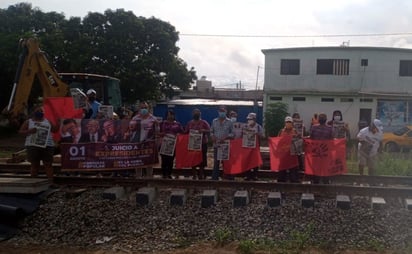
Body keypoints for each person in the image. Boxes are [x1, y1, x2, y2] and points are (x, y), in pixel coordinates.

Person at [19, 106, 59, 183]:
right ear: (34, 112)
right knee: (34, 164)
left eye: (41, 111)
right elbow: (21, 132)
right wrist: (29, 131)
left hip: (47, 145)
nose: (40, 112)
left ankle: (50, 182)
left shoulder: (48, 121)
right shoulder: (28, 122)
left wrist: (58, 123)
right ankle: (33, 182)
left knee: (48, 164)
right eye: (38, 111)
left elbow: (55, 130)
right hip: (32, 145)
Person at [132, 101, 159, 178]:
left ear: (148, 108)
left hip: (149, 143)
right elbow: (131, 131)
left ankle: (149, 178)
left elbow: (157, 131)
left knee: (149, 162)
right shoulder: (135, 118)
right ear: (139, 109)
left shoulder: (153, 119)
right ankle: (138, 178)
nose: (144, 109)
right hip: (138, 143)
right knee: (138, 162)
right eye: (142, 108)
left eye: (145, 108)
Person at [185, 108, 211, 180]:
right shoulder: (189, 123)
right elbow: (185, 132)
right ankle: (194, 174)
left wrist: (204, 130)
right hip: (192, 144)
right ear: (192, 114)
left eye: (197, 113)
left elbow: (210, 131)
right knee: (193, 159)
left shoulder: (204, 122)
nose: (196, 114)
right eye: (194, 113)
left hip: (202, 143)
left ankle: (201, 173)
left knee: (202, 159)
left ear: (200, 114)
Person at [210, 105, 234, 180]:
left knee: (225, 162)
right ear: (218, 112)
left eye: (223, 111)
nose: (222, 113)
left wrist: (226, 137)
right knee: (216, 162)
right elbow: (211, 131)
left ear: (226, 112)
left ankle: (226, 175)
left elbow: (233, 133)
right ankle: (215, 177)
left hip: (225, 145)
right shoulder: (214, 121)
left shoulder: (230, 122)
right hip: (216, 144)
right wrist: (212, 136)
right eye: (220, 111)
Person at [309, 113, 333, 184]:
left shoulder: (314, 127)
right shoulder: (330, 128)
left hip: (316, 152)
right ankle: (325, 182)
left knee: (316, 168)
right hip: (326, 152)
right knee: (325, 168)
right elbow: (332, 140)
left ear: (318, 120)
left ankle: (316, 182)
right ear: (326, 120)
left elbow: (311, 138)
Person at [159, 110, 184, 179]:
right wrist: (162, 134)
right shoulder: (162, 123)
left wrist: (179, 135)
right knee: (164, 160)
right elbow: (157, 132)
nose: (170, 116)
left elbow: (182, 132)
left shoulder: (177, 124)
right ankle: (164, 174)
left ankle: (169, 173)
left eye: (172, 115)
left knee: (171, 160)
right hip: (164, 144)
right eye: (169, 115)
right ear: (166, 116)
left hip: (173, 145)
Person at [277, 116, 300, 183]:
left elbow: (298, 140)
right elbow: (278, 140)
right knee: (282, 168)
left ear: (292, 123)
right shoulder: (281, 131)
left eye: (289, 122)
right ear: (285, 123)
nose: (288, 123)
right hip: (284, 153)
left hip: (292, 153)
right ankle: (281, 181)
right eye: (287, 122)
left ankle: (294, 181)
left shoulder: (295, 131)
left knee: (293, 168)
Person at [243, 112, 263, 181]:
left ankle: (255, 175)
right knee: (247, 160)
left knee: (255, 161)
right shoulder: (245, 126)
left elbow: (262, 136)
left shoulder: (258, 127)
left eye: (251, 119)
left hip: (255, 147)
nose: (249, 120)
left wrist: (257, 134)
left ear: (254, 119)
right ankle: (247, 175)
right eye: (248, 119)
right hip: (247, 147)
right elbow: (241, 135)